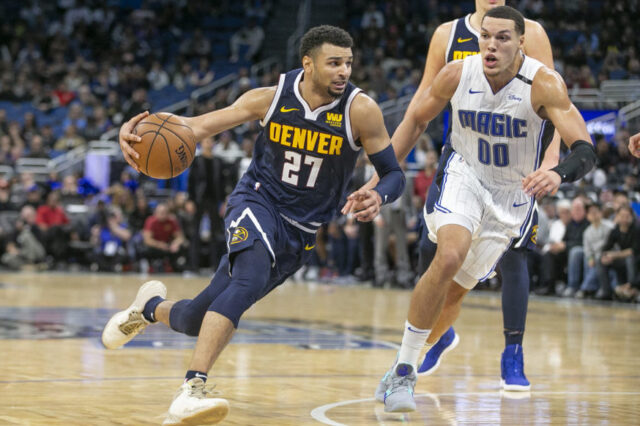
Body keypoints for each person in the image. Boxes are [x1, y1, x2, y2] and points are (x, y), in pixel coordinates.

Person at [102, 25, 405, 425]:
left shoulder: (360, 110)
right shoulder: (271, 97)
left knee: (196, 318)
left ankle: (149, 307)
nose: (344, 71)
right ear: (308, 63)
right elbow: (197, 125)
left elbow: (393, 175)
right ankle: (191, 389)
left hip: (301, 231)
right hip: (257, 201)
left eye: (348, 63)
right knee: (247, 280)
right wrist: (137, 131)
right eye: (334, 63)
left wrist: (377, 195)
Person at [355, 6, 597, 412]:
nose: (492, 44)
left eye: (503, 38)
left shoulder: (543, 84)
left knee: (452, 298)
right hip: (464, 173)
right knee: (448, 255)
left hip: (511, 194)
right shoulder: (457, 72)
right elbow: (415, 119)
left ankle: (418, 354)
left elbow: (585, 149)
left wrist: (558, 174)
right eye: (486, 36)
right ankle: (403, 371)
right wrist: (382, 176)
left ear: (522, 42)